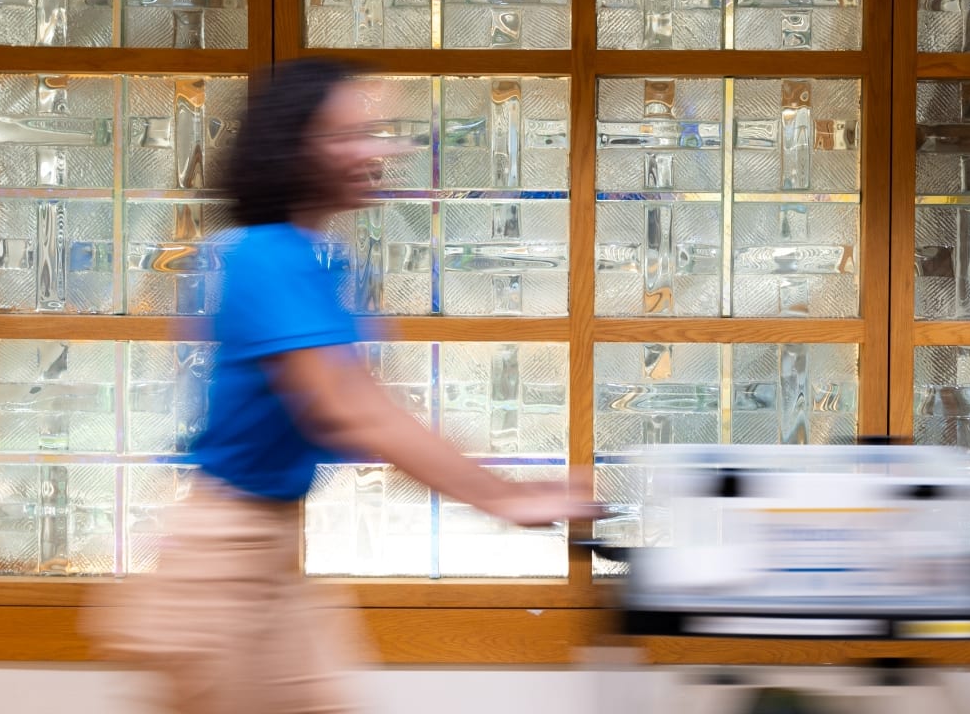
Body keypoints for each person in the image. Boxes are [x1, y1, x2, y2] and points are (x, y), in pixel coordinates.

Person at [85, 58, 597, 714]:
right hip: (225, 563)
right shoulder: (268, 257)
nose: (376, 151)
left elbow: (362, 408)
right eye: (348, 135)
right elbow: (351, 414)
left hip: (267, 555)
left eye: (377, 131)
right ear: (294, 149)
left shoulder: (313, 261)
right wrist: (504, 498)